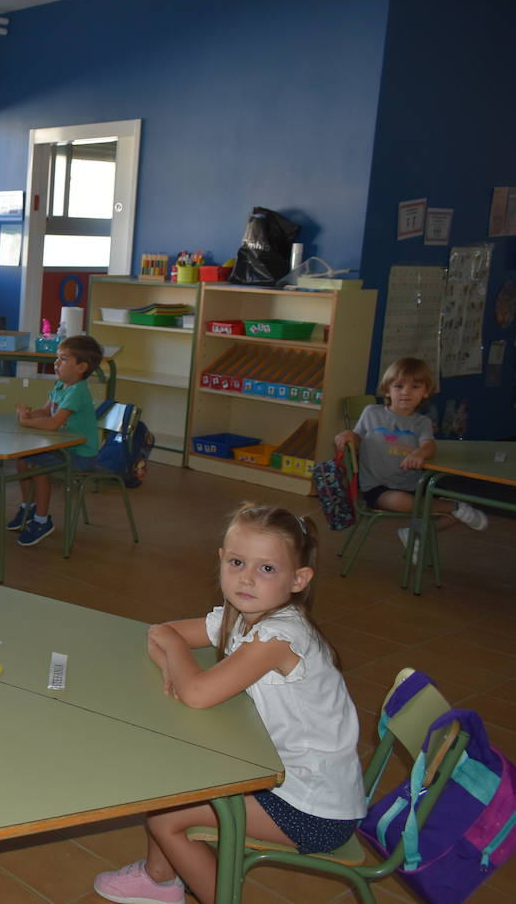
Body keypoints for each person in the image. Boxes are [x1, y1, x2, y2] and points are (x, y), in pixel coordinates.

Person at [93, 504, 365, 904]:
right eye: (237, 562)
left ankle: (180, 888)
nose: (247, 578)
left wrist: (175, 656)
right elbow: (160, 636)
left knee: (166, 817)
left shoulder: (278, 636)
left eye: (267, 569)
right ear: (222, 560)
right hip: (287, 777)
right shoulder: (240, 616)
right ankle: (158, 879)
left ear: (298, 579)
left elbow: (192, 684)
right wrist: (177, 663)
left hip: (314, 809)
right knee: (172, 779)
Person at [334, 356, 487, 560]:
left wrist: (420, 453)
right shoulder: (372, 413)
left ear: (425, 392)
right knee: (408, 503)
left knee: (453, 517)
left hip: (412, 486)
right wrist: (347, 434)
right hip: (377, 488)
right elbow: (357, 437)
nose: (406, 392)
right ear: (387, 390)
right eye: (398, 386)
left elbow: (429, 445)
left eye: (415, 386)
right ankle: (454, 506)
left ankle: (415, 533)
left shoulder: (421, 423)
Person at [7, 334, 104, 547]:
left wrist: (26, 422)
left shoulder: (78, 392)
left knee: (37, 465)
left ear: (81, 367)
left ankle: (42, 521)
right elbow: (46, 411)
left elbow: (53, 423)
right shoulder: (61, 386)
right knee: (23, 459)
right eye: (57, 358)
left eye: (63, 359)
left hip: (81, 455)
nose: (56, 363)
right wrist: (30, 414)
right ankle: (28, 507)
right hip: (64, 449)